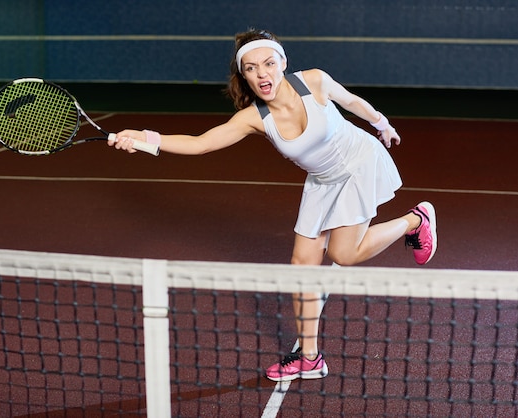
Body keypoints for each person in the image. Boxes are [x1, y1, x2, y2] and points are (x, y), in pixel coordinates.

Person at [108, 29, 437, 382]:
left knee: (344, 254)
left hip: (358, 165)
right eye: (251, 68)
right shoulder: (253, 118)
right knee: (301, 267)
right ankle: (309, 358)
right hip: (322, 182)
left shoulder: (314, 81)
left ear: (283, 63)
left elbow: (353, 101)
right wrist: (145, 138)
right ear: (243, 75)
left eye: (268, 63)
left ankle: (414, 221)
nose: (262, 74)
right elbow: (200, 144)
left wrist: (381, 123)